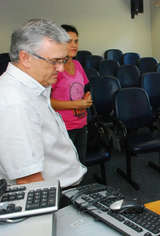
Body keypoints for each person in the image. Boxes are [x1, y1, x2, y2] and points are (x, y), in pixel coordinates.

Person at [0, 18, 87, 188]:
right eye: (54, 61)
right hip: (53, 197)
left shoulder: (34, 87)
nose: (60, 69)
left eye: (62, 61)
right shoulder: (16, 104)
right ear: (25, 58)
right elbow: (29, 182)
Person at [50, 24, 92, 164]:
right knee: (66, 169)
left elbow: (82, 90)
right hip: (64, 128)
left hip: (81, 123)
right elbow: (45, 102)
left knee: (80, 166)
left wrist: (86, 97)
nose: (74, 45)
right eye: (69, 41)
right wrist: (75, 104)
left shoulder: (78, 65)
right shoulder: (55, 68)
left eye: (76, 41)